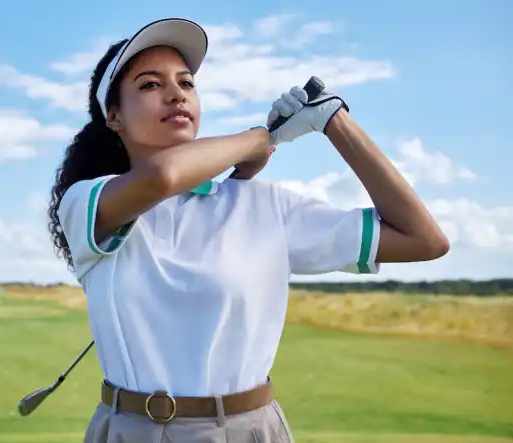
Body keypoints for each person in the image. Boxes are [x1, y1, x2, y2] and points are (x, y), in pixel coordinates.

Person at [47, 17, 449, 443]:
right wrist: (260, 140)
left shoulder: (264, 205)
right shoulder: (87, 203)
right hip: (130, 431)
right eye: (149, 85)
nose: (175, 95)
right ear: (114, 117)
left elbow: (424, 239)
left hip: (248, 429)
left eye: (186, 83)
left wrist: (332, 119)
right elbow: (163, 177)